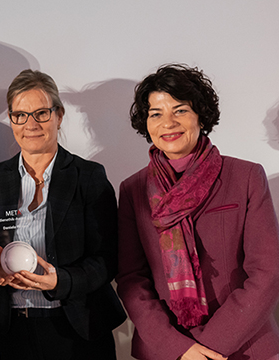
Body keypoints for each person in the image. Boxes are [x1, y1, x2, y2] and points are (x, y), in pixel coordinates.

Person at [116, 64, 279, 360]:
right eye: (156, 113)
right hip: (166, 350)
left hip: (243, 348)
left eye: (180, 110)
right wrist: (179, 349)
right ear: (145, 122)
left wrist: (209, 347)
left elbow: (268, 271)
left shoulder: (245, 177)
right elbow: (131, 279)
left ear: (200, 115)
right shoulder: (132, 190)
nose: (168, 123)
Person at [0, 69, 126, 359]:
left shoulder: (88, 176)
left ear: (59, 115)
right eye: (20, 115)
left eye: (41, 113)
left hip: (78, 327)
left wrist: (59, 282)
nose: (31, 124)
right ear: (11, 118)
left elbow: (107, 260)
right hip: (15, 329)